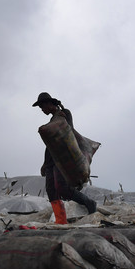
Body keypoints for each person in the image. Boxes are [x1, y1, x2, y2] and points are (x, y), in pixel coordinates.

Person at [32, 92, 97, 224]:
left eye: (42, 106)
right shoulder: (54, 119)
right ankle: (61, 220)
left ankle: (89, 202)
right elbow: (50, 145)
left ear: (50, 104)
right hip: (51, 158)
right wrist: (45, 163)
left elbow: (68, 133)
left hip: (62, 158)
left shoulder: (64, 114)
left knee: (63, 188)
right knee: (51, 190)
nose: (42, 110)